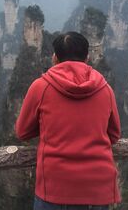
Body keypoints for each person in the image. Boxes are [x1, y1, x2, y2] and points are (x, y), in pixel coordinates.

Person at [15, 31, 121, 210]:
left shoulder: (41, 87)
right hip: (97, 189)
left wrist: (49, 126)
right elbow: (114, 134)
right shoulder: (105, 89)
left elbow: (23, 131)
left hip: (55, 188)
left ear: (55, 58)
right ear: (87, 58)